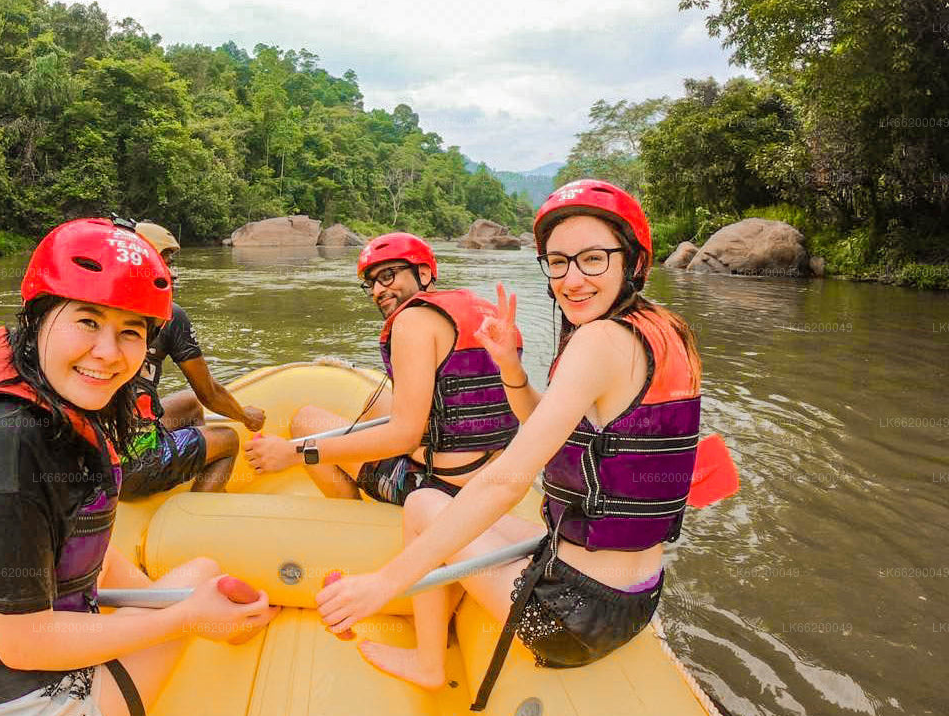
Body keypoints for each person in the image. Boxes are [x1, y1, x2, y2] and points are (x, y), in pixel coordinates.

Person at [315, 181, 703, 711]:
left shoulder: (598, 341)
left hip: (571, 617)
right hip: (636, 598)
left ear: (632, 262)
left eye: (593, 259)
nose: (572, 280)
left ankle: (428, 663)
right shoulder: (667, 330)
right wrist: (510, 369)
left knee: (425, 501)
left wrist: (384, 584)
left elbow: (506, 483)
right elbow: (555, 428)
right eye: (559, 263)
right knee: (449, 509)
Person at [0, 218, 277, 716]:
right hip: (13, 696)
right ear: (40, 315)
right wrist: (185, 617)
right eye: (87, 321)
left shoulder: (36, 377)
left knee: (200, 575)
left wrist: (157, 601)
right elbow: (23, 644)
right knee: (197, 588)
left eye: (130, 331)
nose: (107, 353)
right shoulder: (5, 443)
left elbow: (82, 539)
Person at [243, 232, 525, 688]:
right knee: (374, 410)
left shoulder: (412, 322)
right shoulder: (480, 309)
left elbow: (404, 434)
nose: (378, 289)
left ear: (425, 274)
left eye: (389, 275)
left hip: (439, 488)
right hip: (487, 481)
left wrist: (293, 453)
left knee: (305, 420)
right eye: (372, 282)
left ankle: (353, 518)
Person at [118, 221, 266, 499]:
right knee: (229, 440)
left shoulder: (96, 312)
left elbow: (199, 398)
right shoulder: (170, 316)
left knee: (189, 403)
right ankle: (198, 509)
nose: (173, 273)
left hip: (101, 454)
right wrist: (246, 417)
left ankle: (198, 467)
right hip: (131, 466)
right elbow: (209, 393)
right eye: (165, 262)